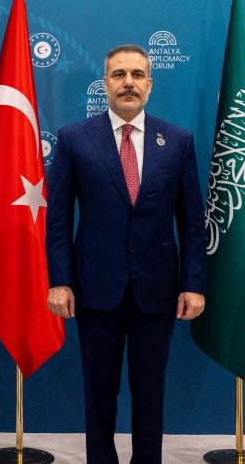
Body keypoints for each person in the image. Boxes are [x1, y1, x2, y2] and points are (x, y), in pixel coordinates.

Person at [45, 44, 207, 464]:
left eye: (137, 74)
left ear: (150, 85)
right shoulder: (73, 139)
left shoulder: (178, 141)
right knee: (99, 392)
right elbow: (59, 219)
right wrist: (60, 280)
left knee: (150, 392)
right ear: (105, 85)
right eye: (119, 75)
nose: (128, 82)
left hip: (157, 288)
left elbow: (192, 221)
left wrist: (193, 284)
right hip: (95, 288)